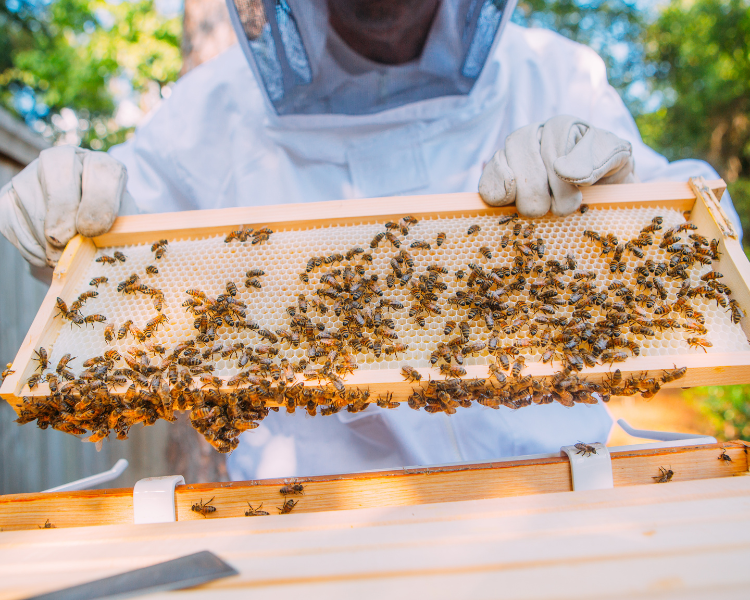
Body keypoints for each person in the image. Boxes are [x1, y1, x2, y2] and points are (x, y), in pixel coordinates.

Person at [0, 0, 740, 480]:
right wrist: (66, 209)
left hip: (566, 492)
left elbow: (697, 246)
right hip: (311, 535)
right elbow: (114, 239)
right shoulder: (205, 115)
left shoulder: (556, 76)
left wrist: (629, 191)